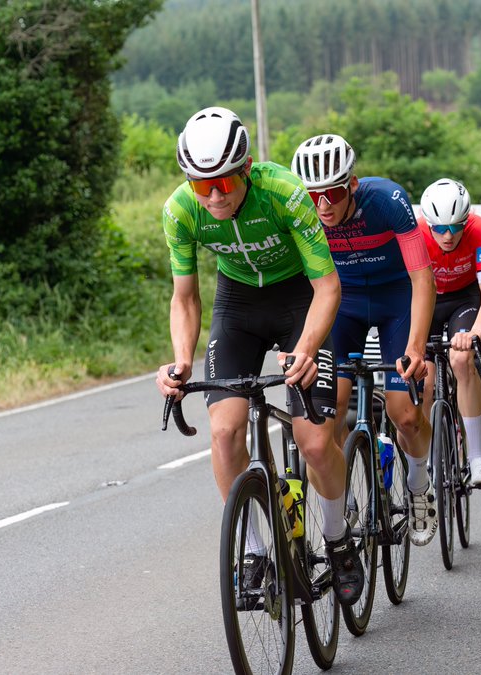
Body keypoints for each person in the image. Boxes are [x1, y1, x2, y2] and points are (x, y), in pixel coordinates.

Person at [155, 107, 364, 605]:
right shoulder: (180, 210)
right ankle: (253, 552)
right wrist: (181, 361)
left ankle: (338, 540)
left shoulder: (284, 193)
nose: (215, 196)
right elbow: (185, 298)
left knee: (315, 443)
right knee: (225, 432)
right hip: (239, 307)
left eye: (224, 182)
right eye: (202, 186)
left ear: (246, 168)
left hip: (299, 301)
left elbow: (328, 286)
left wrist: (307, 349)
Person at [290, 134, 440, 546]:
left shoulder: (388, 200)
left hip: (396, 299)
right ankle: (344, 496)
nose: (323, 205)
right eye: (313, 195)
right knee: (330, 410)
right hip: (343, 303)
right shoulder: (300, 214)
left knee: (404, 414)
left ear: (352, 185)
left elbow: (422, 278)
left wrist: (415, 348)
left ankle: (418, 483)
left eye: (333, 193)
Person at [417, 178, 481, 487]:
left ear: (466, 220)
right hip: (427, 299)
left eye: (455, 227)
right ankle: (426, 455)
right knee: (423, 377)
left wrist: (475, 334)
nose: (448, 236)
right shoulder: (415, 232)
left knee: (462, 359)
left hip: (464, 299)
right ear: (429, 223)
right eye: (440, 229)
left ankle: (477, 457)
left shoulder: (479, 229)